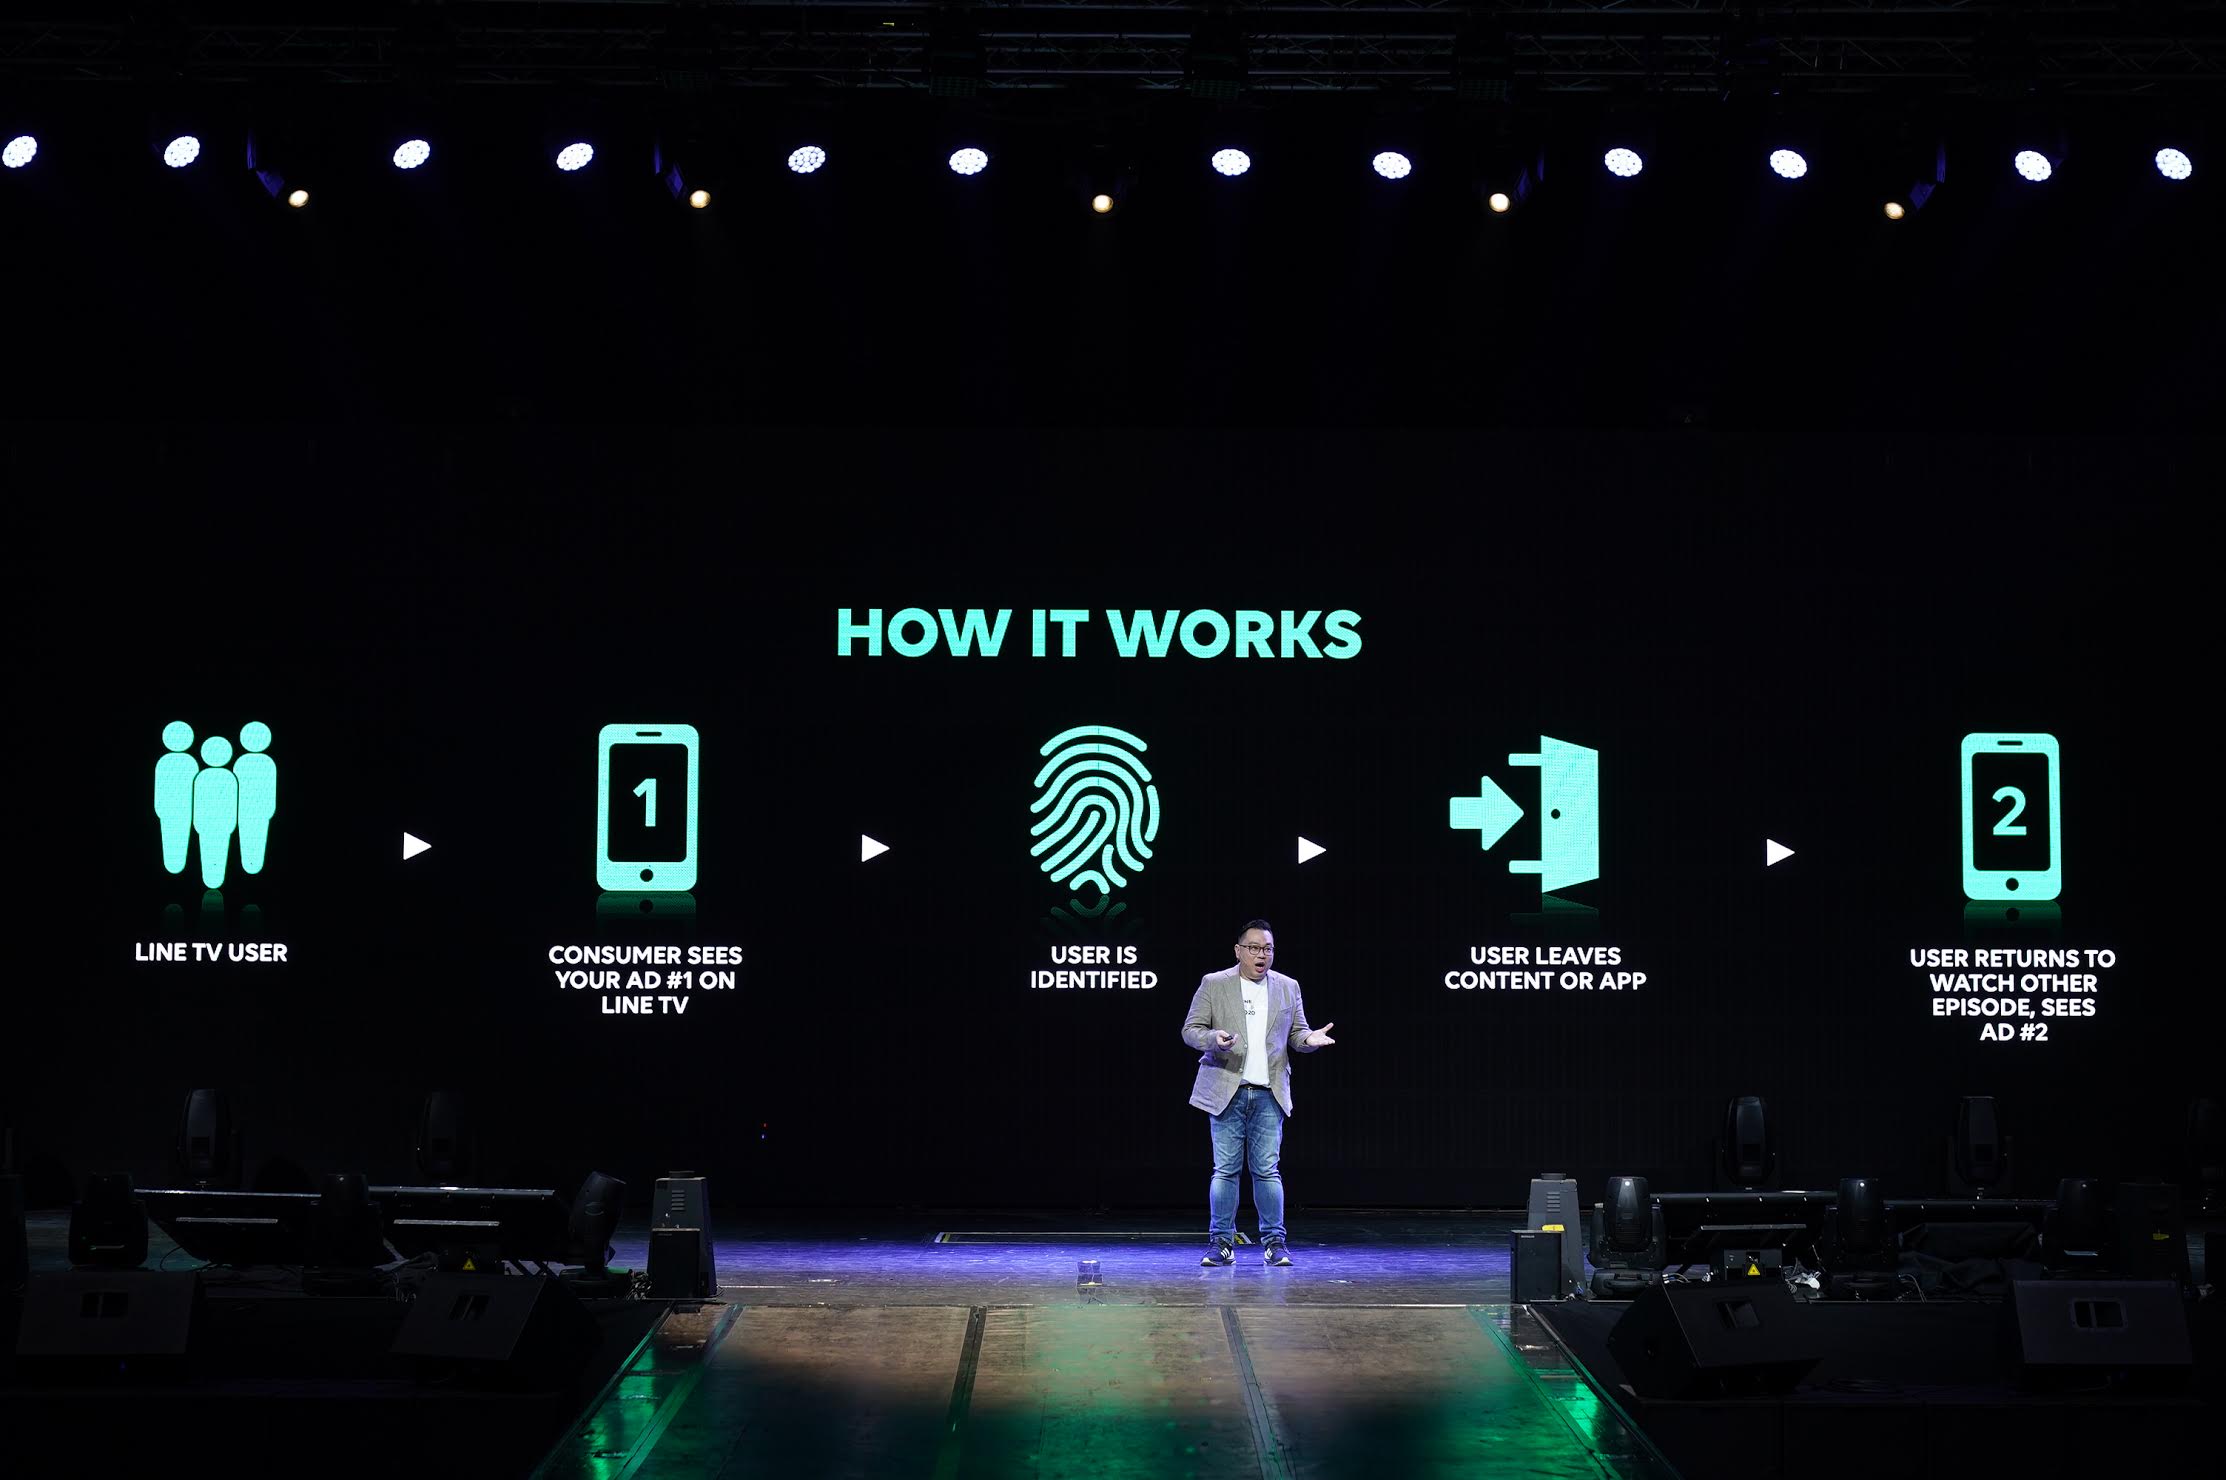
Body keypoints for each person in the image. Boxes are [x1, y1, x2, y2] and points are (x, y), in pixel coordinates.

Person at [1181, 919, 1336, 1267]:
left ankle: (1275, 1243)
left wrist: (1309, 1040)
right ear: (1238, 951)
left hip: (1269, 1093)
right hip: (1226, 1090)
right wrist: (1213, 1038)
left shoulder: (1288, 987)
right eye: (1253, 948)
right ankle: (1221, 1243)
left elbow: (1297, 1034)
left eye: (1267, 949)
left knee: (1267, 1170)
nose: (1261, 955)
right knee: (1225, 1171)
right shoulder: (1214, 983)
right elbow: (1191, 1030)